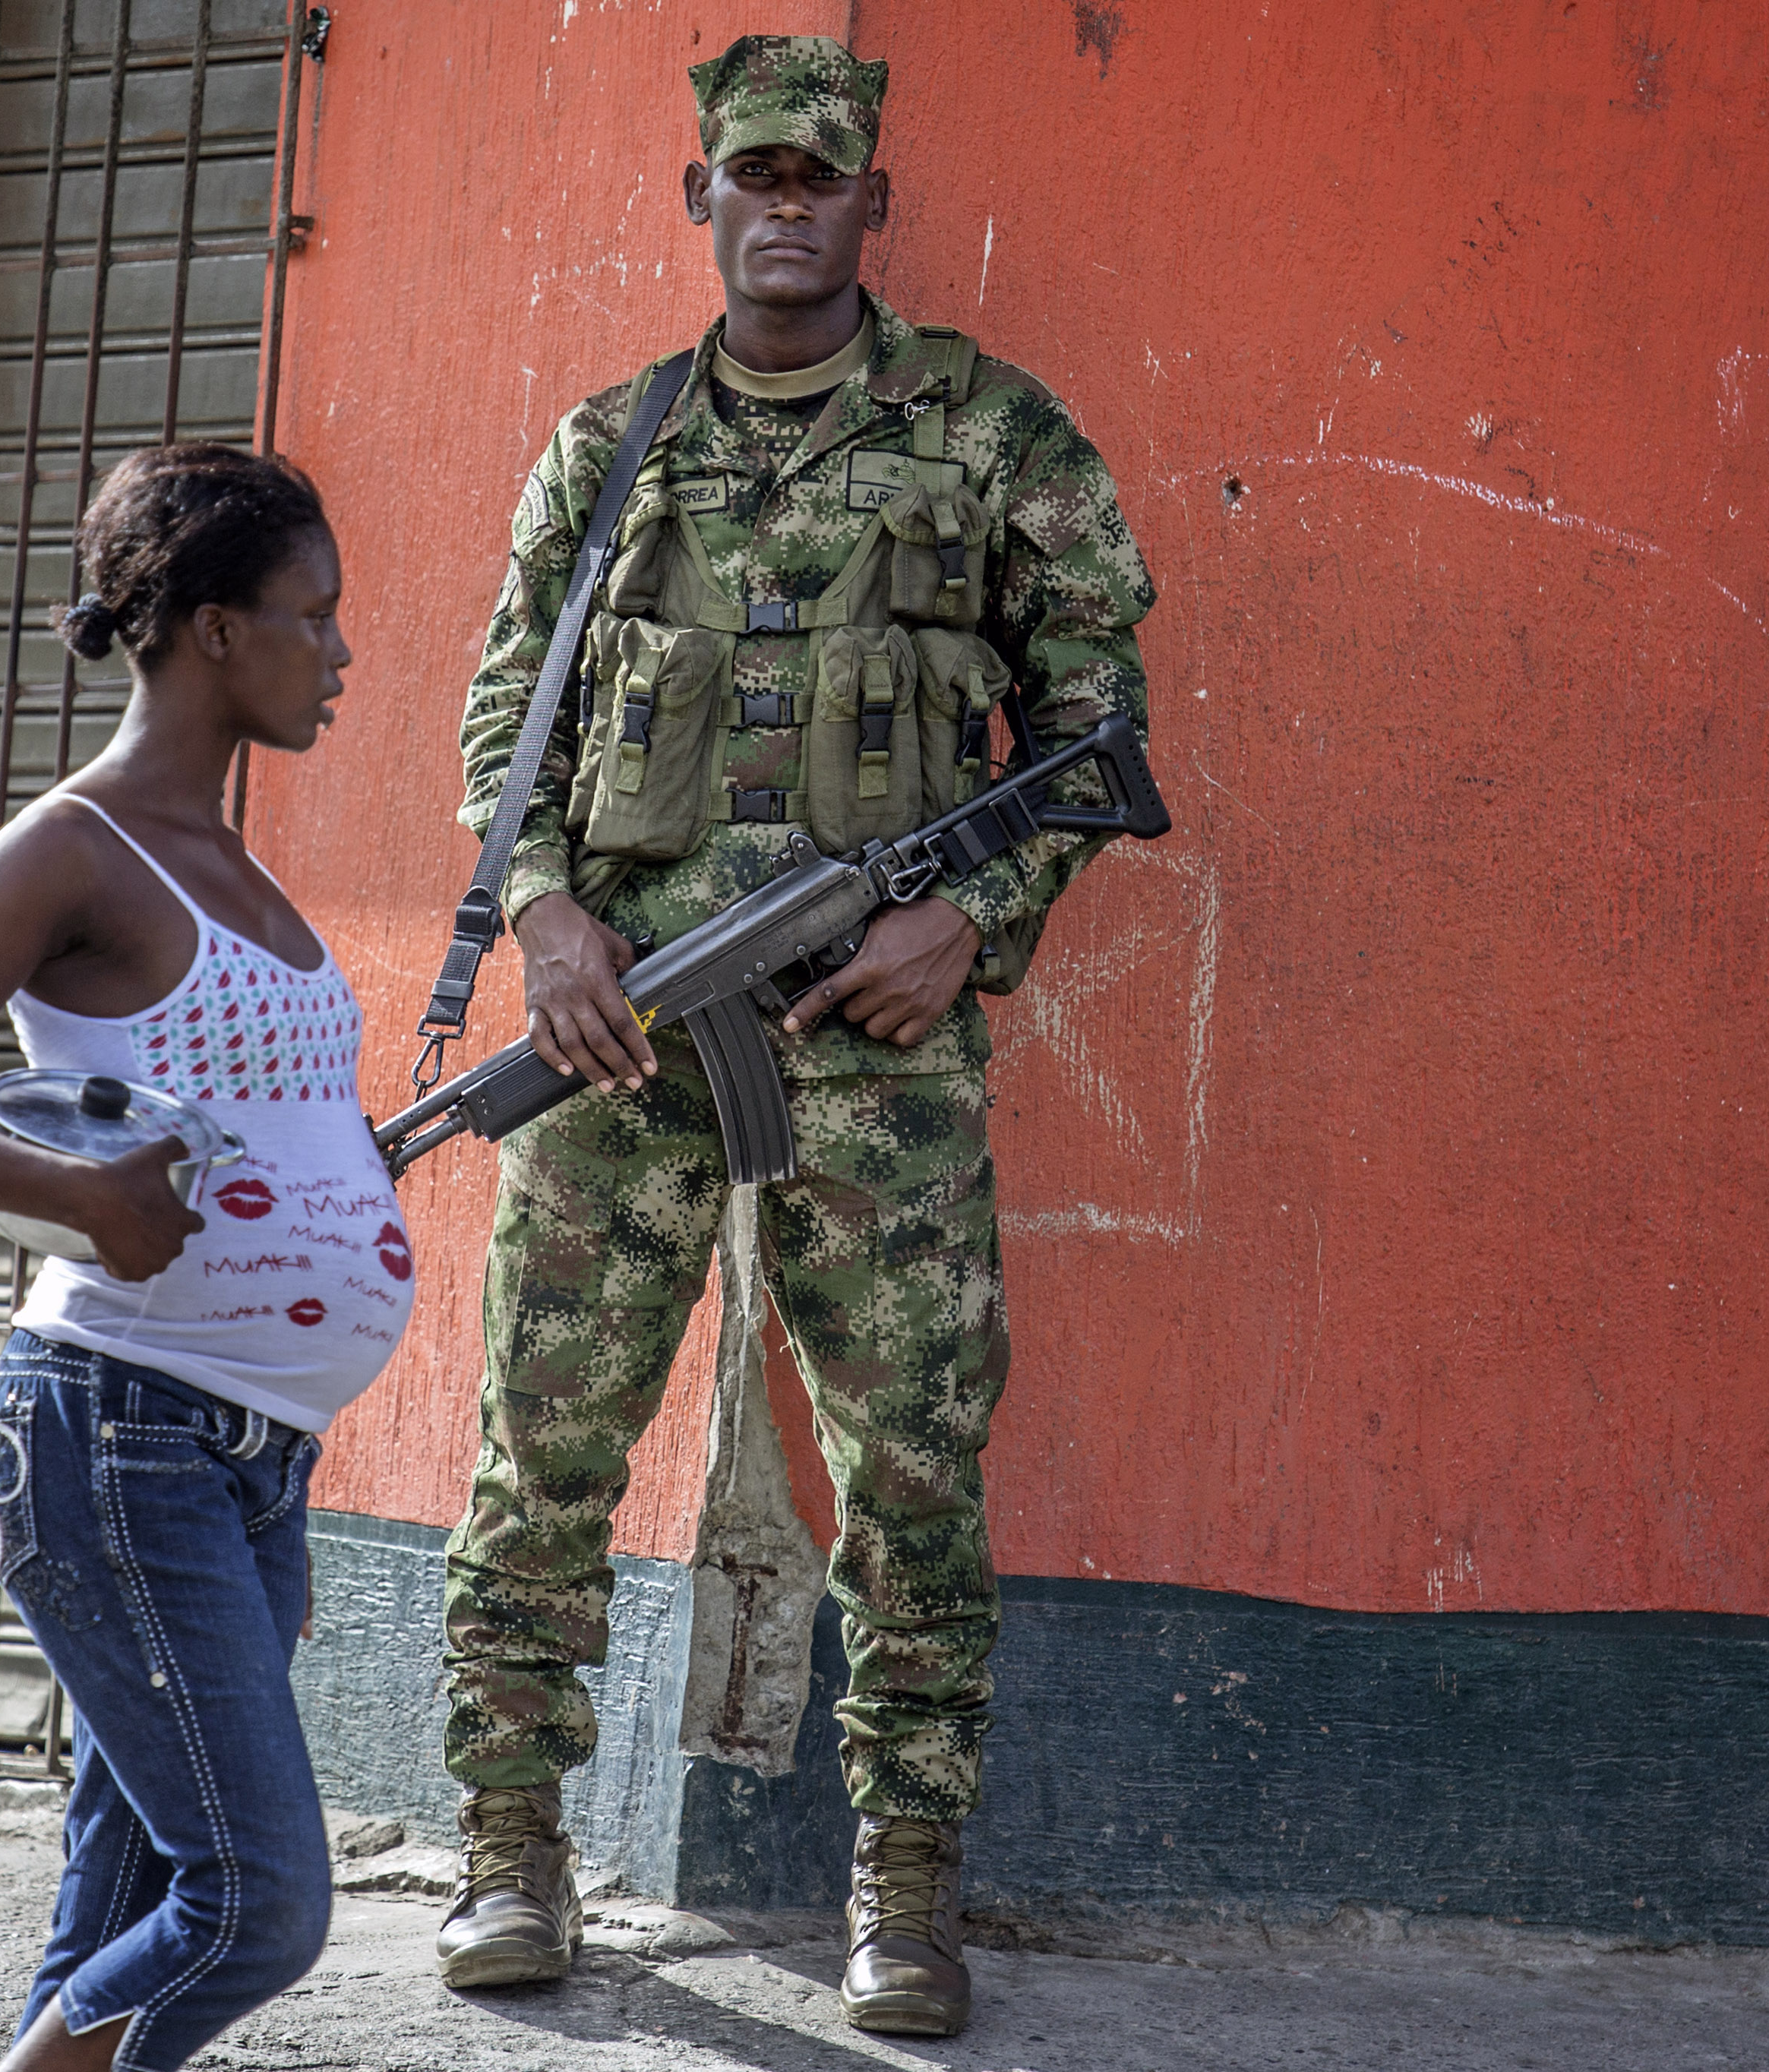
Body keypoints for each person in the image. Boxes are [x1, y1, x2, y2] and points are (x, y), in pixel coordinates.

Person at [432, 33, 1157, 2042]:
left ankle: (904, 1887)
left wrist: (975, 918)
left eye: (815, 179)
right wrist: (548, 917)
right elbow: (509, 727)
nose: (780, 207)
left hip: (876, 1051)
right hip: (611, 1050)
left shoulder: (990, 436)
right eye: (747, 177)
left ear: (868, 204)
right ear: (700, 199)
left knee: (916, 1473)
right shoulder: (610, 451)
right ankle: (509, 1844)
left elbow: (1098, 730)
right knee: (540, 1456)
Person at [0, 445, 406, 2072]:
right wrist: (82, 1201)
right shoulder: (69, 851)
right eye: (315, 614)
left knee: (121, 1900)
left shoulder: (243, 868)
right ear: (216, 630)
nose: (340, 652)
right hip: (117, 1430)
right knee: (261, 1899)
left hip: (250, 1457)